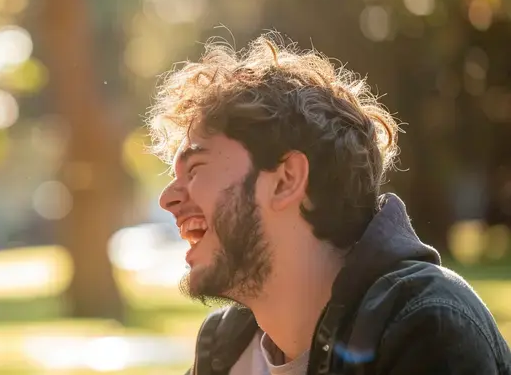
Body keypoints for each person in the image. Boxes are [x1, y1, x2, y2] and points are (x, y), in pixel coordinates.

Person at [148, 33, 511, 375]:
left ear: (286, 179)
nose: (168, 199)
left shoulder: (425, 326)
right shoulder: (224, 346)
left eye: (195, 168)